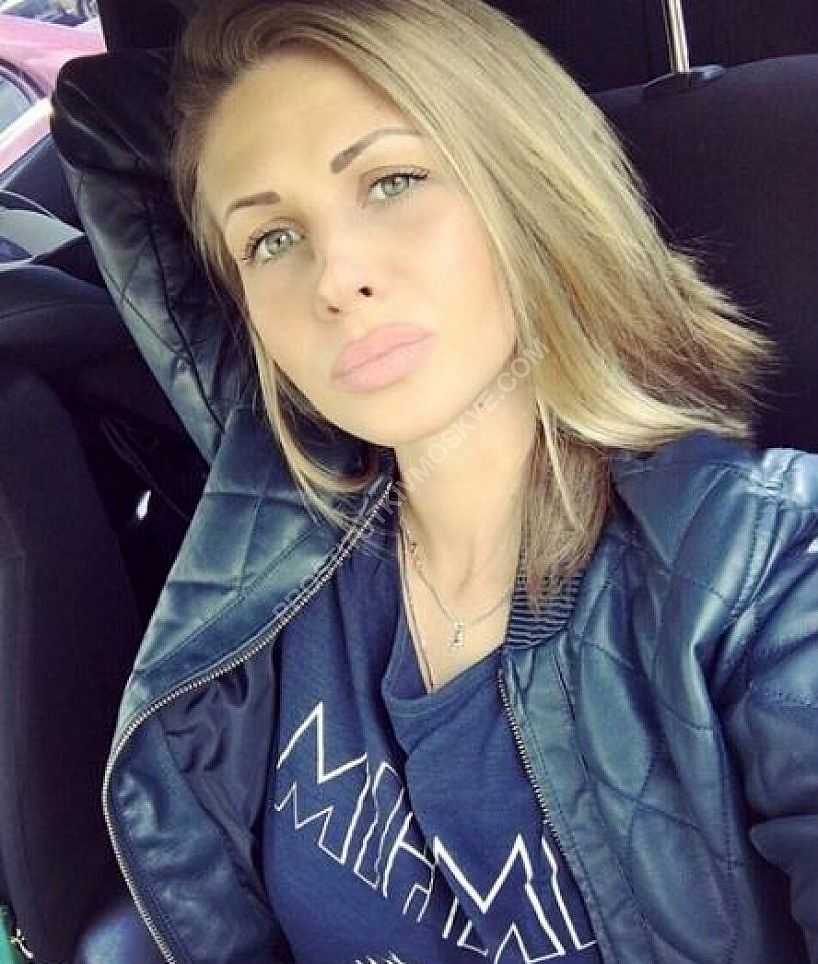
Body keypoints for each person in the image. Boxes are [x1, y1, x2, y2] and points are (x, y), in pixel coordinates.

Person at [98, 0, 818, 961]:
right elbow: (96, 123)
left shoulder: (758, 571)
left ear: (527, 185)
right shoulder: (282, 530)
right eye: (272, 240)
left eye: (392, 181)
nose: (334, 278)